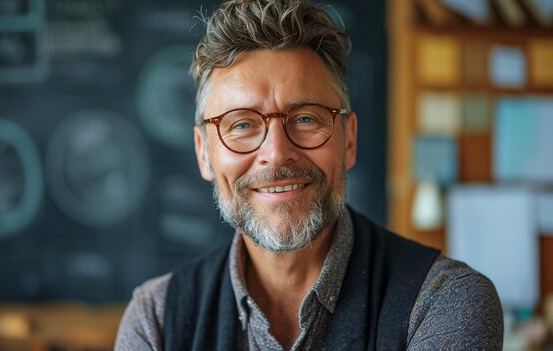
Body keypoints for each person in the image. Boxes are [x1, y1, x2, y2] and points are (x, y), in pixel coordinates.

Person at [115, 0, 503, 349]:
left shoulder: (443, 302)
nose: (276, 153)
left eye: (305, 119)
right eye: (242, 125)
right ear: (204, 153)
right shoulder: (156, 320)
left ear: (348, 140)